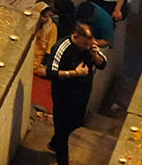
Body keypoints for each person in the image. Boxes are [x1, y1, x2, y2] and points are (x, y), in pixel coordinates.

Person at [45, 17, 107, 165]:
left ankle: (55, 142)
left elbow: (102, 64)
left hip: (82, 94)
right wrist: (74, 73)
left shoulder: (90, 47)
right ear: (76, 36)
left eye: (89, 43)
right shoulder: (62, 47)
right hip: (63, 96)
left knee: (75, 124)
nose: (86, 46)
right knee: (63, 134)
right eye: (84, 43)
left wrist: (95, 55)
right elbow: (50, 73)